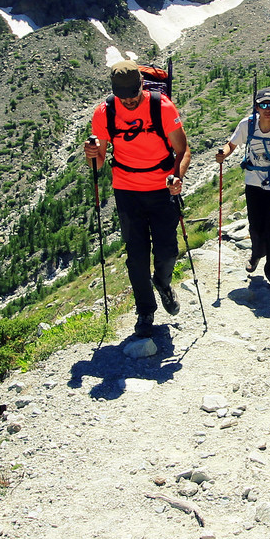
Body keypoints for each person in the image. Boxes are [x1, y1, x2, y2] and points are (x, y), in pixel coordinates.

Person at [84, 60, 192, 338]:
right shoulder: (104, 113)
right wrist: (92, 155)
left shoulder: (162, 107)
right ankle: (145, 311)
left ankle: (163, 283)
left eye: (134, 94)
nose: (129, 101)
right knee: (136, 256)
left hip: (161, 187)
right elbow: (98, 166)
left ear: (142, 85)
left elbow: (183, 150)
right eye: (123, 97)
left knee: (167, 251)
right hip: (127, 189)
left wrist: (177, 177)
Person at [217, 87, 270, 287]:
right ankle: (257, 253)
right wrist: (223, 152)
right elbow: (232, 144)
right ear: (257, 107)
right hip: (253, 182)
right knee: (255, 225)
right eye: (263, 105)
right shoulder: (247, 124)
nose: (267, 109)